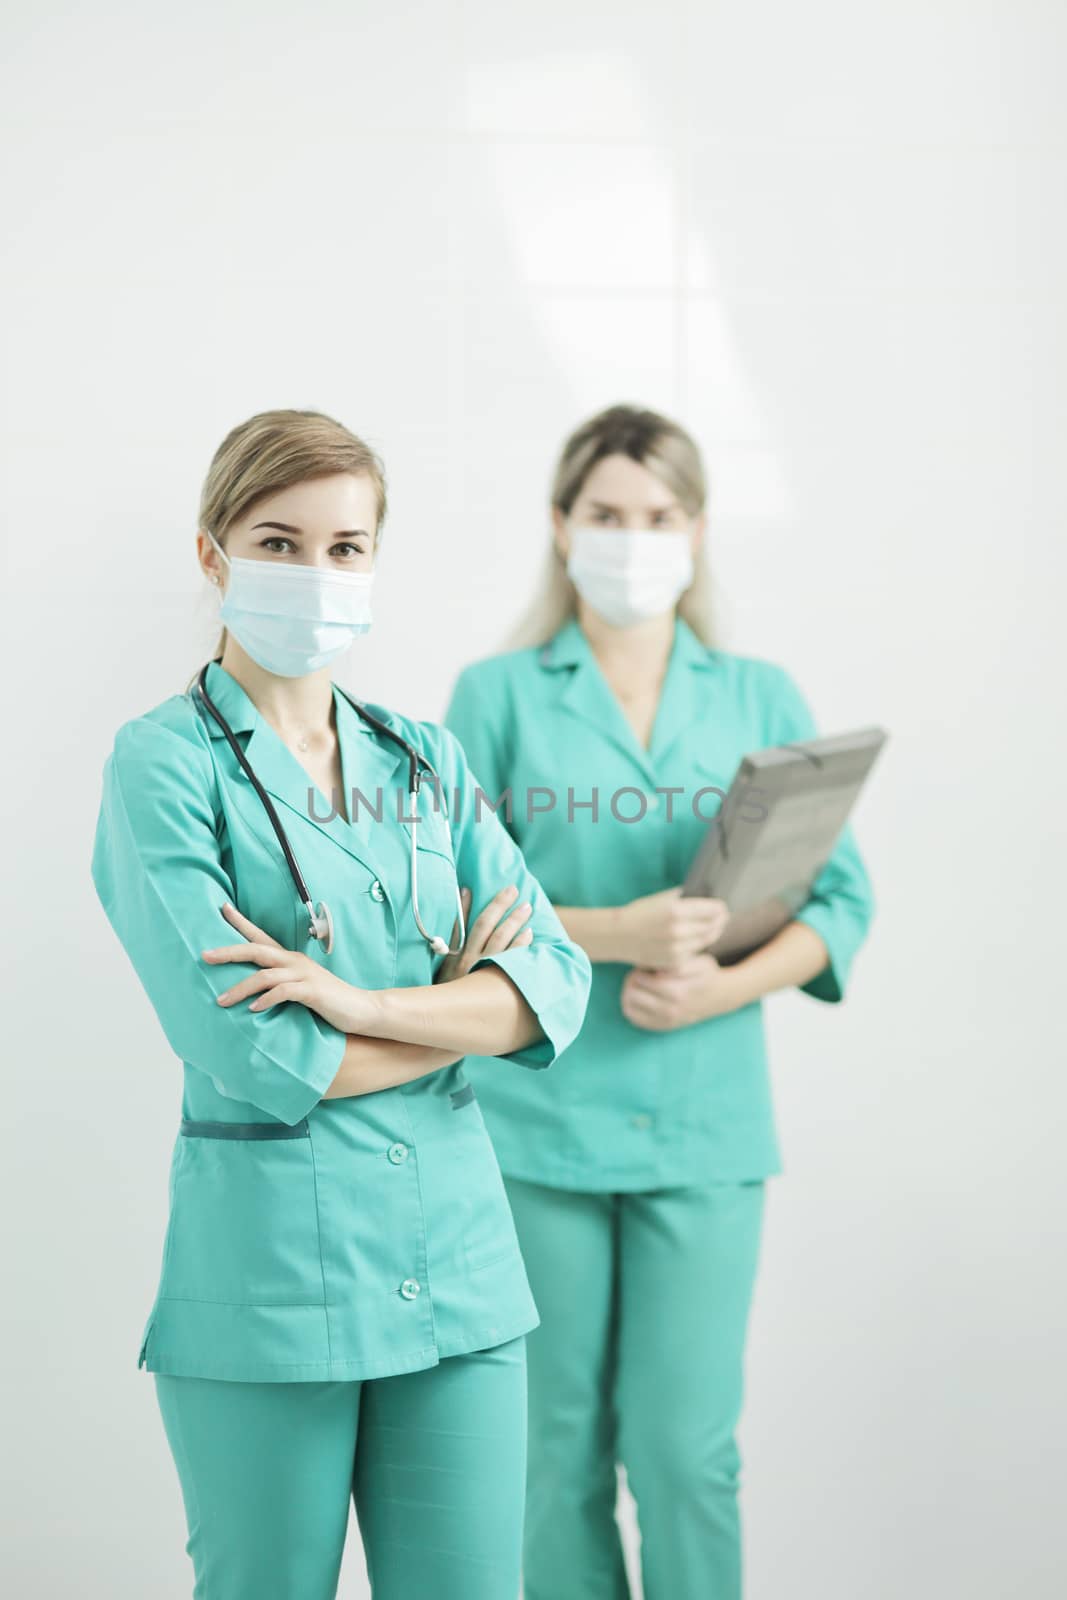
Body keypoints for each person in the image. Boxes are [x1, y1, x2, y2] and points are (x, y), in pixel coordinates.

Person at [89, 407, 592, 1600]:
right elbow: (251, 1048)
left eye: (346, 547)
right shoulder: (162, 763)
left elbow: (551, 987)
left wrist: (358, 1003)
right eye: (280, 540)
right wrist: (457, 1005)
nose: (316, 573)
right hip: (271, 1283)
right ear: (213, 555)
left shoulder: (424, 760)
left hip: (458, 1271)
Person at [443, 402, 876, 1600]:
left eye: (658, 515)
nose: (631, 538)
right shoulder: (497, 696)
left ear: (694, 530)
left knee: (686, 1455)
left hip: (703, 1124)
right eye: (605, 514)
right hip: (541, 1125)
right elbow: (445, 910)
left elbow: (835, 901)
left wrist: (724, 981)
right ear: (558, 524)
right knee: (550, 1460)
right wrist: (609, 936)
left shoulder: (755, 694)